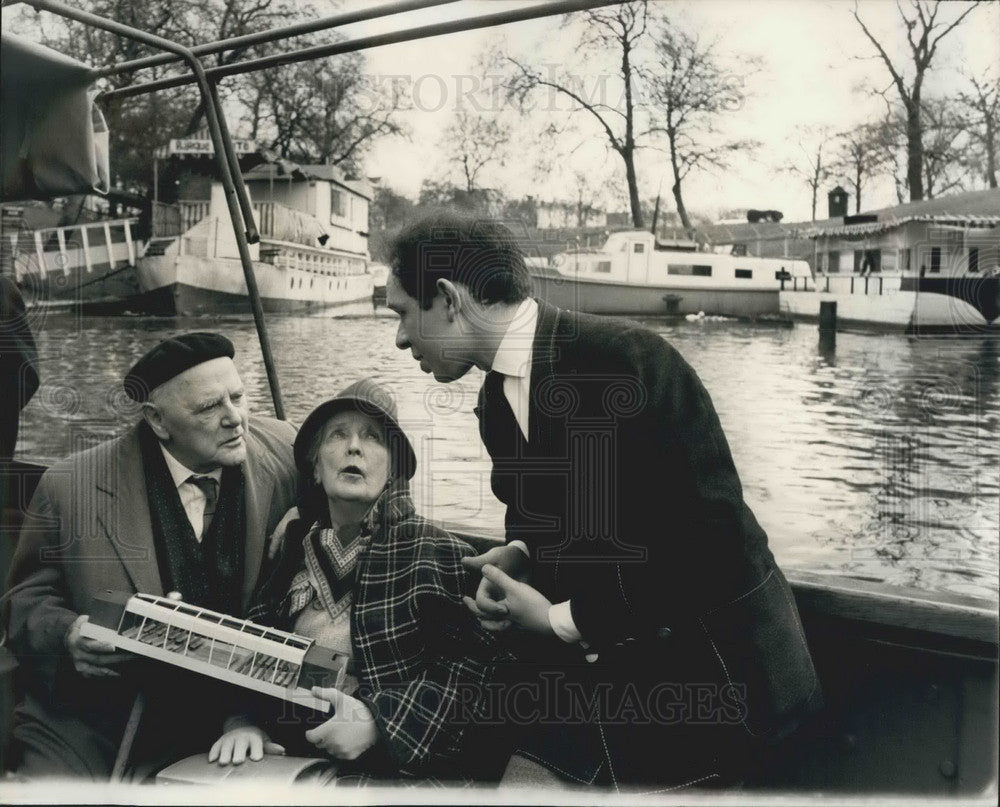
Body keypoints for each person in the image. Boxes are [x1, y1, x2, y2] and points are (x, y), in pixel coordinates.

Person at [385, 213, 821, 789]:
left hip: (726, 686)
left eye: (401, 312)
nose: (399, 337)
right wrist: (523, 554)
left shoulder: (631, 362)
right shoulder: (495, 403)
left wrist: (558, 619)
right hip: (625, 677)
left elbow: (711, 547)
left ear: (447, 299)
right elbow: (569, 527)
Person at [2, 332, 297, 779]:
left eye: (238, 397)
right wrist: (68, 635)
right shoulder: (71, 487)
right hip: (96, 725)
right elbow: (22, 606)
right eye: (208, 408)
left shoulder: (287, 454)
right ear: (158, 420)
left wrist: (308, 513)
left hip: (237, 725)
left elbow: (371, 466)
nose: (235, 418)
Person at [208, 379, 500, 784]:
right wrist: (242, 722)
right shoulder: (292, 550)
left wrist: (379, 724)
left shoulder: (435, 550)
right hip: (287, 759)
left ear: (393, 467)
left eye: (372, 438)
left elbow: (474, 675)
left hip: (398, 774)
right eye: (338, 435)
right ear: (315, 465)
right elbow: (252, 648)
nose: (354, 447)